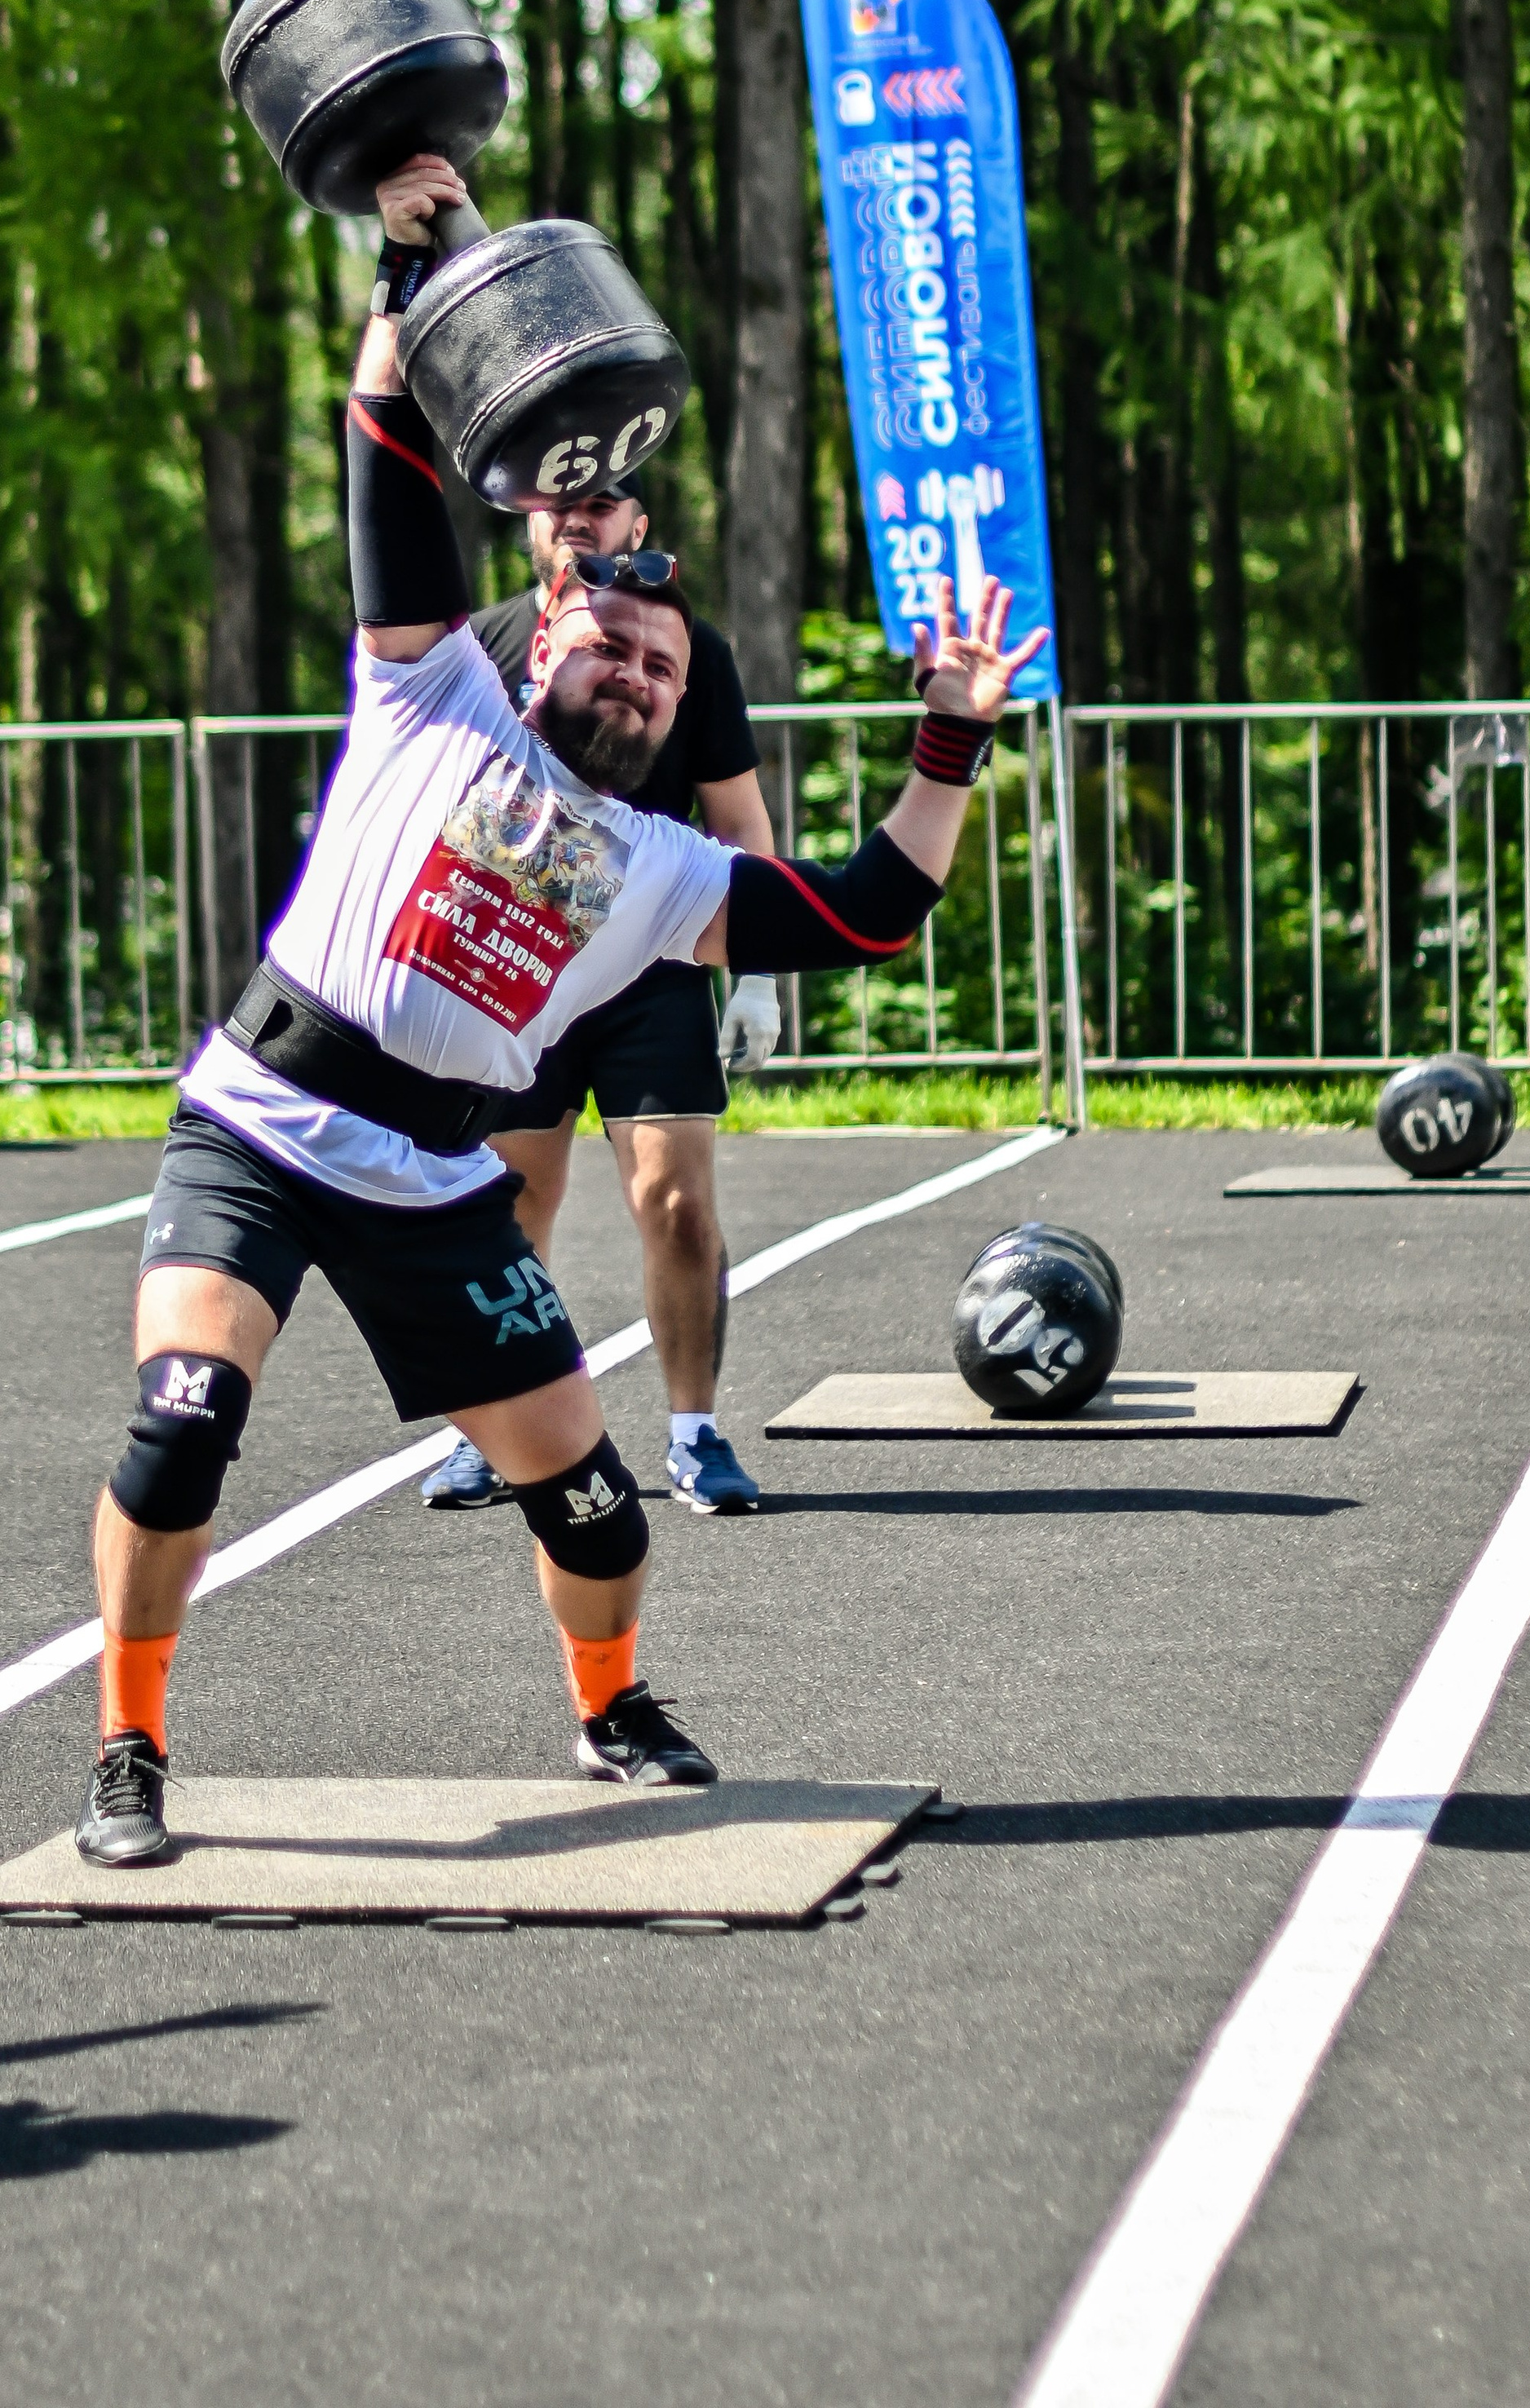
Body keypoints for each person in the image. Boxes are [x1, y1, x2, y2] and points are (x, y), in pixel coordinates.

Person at [73, 147, 1047, 1867]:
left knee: (596, 1517)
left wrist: (950, 736)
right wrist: (410, 270)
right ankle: (129, 1749)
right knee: (184, 1421)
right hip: (259, 1125)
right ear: (541, 649)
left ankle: (608, 1708)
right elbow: (383, 453)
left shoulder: (657, 871)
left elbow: (872, 910)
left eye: (665, 671)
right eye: (613, 648)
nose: (639, 672)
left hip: (438, 1184)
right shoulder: (426, 689)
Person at [417, 484, 779, 1518]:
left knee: (674, 1199)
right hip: (519, 959)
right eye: (555, 496)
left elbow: (740, 814)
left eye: (602, 499)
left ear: (640, 528)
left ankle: (694, 1434)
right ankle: (492, 1435)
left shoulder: (685, 648)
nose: (576, 513)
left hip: (651, 960)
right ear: (526, 519)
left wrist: (756, 974)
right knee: (507, 1207)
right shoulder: (477, 642)